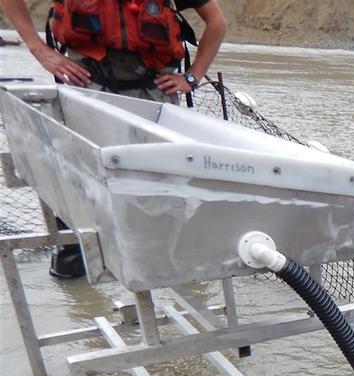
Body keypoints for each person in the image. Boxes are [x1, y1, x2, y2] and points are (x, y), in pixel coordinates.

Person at [1, 0, 226, 277]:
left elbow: (216, 22)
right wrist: (40, 50)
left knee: (165, 188)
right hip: (84, 85)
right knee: (77, 180)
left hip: (153, 93)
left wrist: (192, 78)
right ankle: (77, 281)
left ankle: (172, 271)